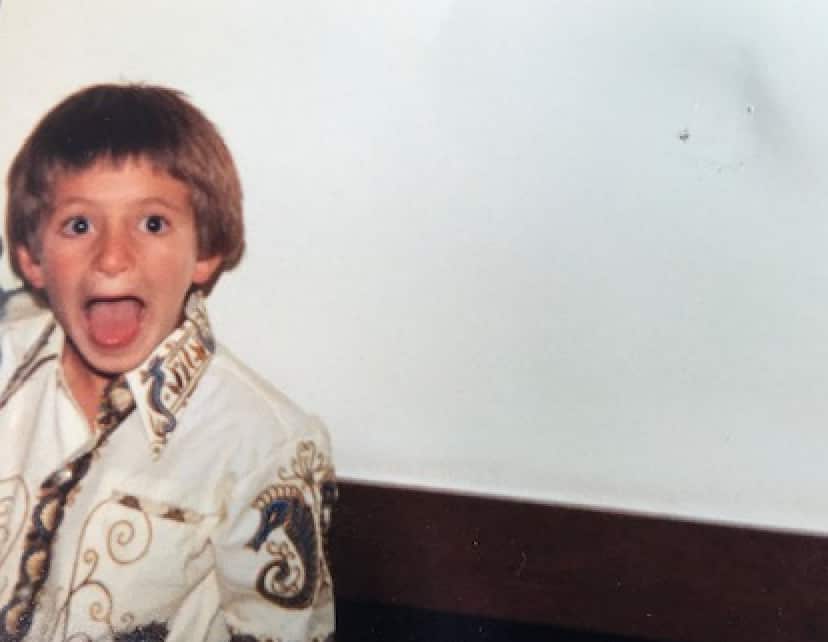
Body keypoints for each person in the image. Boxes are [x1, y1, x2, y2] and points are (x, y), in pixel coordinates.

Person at [0, 84, 336, 641]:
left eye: (152, 223)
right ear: (33, 259)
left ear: (205, 252)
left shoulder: (262, 444)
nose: (112, 257)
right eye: (79, 225)